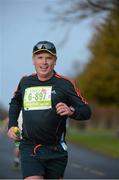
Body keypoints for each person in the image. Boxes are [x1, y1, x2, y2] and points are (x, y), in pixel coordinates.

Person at [7, 40, 91, 179]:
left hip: (55, 150)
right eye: (40, 58)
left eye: (49, 58)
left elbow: (86, 111)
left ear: (55, 61)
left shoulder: (65, 84)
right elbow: (15, 103)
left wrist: (72, 111)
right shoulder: (25, 82)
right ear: (33, 60)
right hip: (29, 147)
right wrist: (12, 125)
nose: (44, 62)